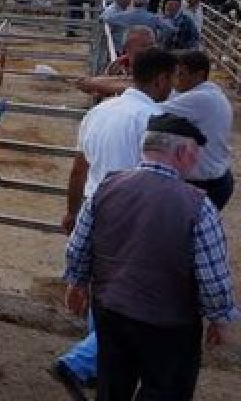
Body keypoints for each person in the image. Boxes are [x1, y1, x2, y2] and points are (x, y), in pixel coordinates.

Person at [63, 112, 237, 400]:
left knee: (111, 387)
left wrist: (77, 282)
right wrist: (219, 317)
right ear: (182, 152)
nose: (195, 163)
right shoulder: (198, 205)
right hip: (169, 323)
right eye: (194, 155)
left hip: (111, 311)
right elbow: (213, 276)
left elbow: (78, 245)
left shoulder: (107, 187)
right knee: (165, 391)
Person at [53, 48, 178, 397]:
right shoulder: (158, 118)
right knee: (129, 302)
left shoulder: (101, 111)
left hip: (94, 210)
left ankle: (99, 368)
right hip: (132, 219)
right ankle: (80, 362)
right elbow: (159, 177)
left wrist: (73, 210)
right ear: (161, 79)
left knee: (102, 296)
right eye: (171, 80)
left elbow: (80, 166)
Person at [165, 51, 234, 210]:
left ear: (199, 75)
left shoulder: (201, 98)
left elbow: (150, 110)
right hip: (214, 180)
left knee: (185, 230)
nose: (176, 79)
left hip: (206, 185)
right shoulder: (206, 94)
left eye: (181, 74)